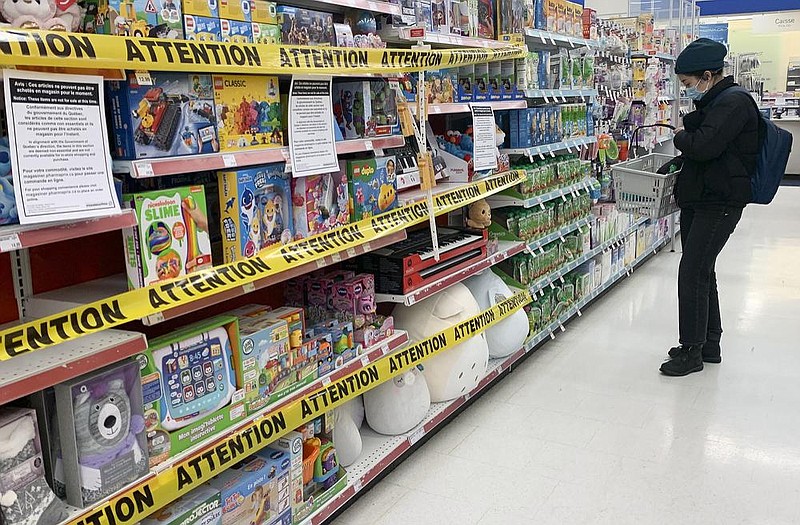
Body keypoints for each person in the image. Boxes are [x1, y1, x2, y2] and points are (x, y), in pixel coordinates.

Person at [659, 38, 761, 376]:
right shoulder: (718, 102)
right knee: (703, 270)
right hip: (702, 198)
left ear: (707, 75)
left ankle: (691, 352)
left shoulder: (734, 104)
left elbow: (703, 146)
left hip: (719, 203)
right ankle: (708, 344)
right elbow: (702, 130)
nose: (688, 91)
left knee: (692, 272)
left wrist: (679, 136)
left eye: (688, 84)